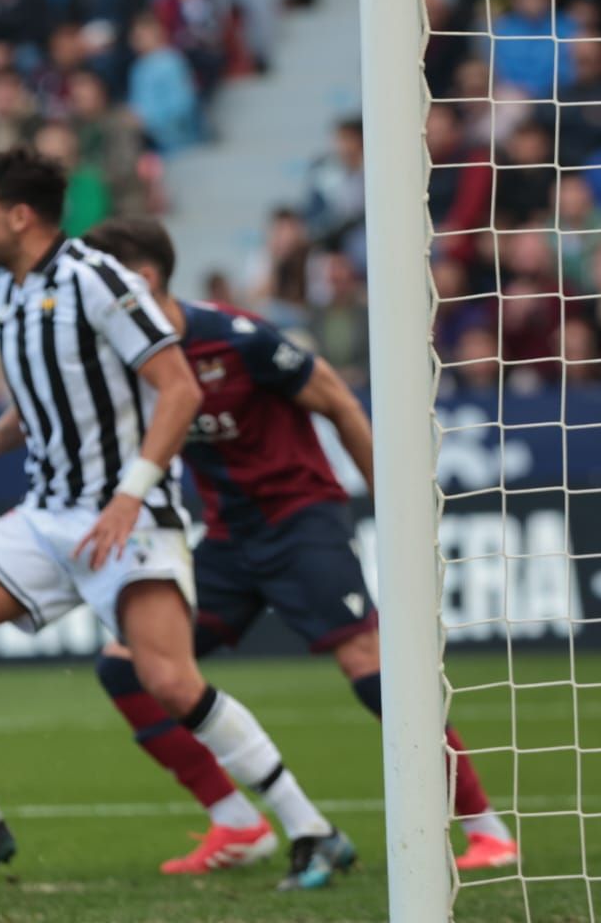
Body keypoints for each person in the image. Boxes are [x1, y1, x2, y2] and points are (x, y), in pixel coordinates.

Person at [0, 149, 351, 891]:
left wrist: (132, 493)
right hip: (47, 515)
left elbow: (178, 390)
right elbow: (43, 402)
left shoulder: (97, 278)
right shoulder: (4, 294)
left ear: (19, 216)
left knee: (169, 681)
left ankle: (312, 830)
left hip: (129, 518)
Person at [84, 216, 520, 874]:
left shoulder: (239, 339)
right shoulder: (129, 359)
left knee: (371, 666)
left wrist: (393, 507)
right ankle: (235, 823)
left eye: (99, 284)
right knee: (126, 665)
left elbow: (341, 405)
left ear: (142, 281)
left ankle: (487, 829)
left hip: (301, 523)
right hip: (227, 541)